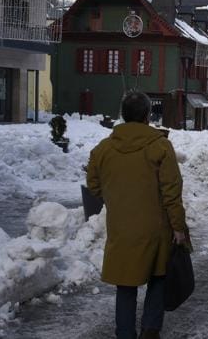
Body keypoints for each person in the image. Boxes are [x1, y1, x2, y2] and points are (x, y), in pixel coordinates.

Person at [86, 91, 189, 339]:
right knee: (158, 278)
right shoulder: (160, 146)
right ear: (147, 115)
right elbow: (171, 192)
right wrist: (178, 227)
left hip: (121, 228)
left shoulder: (103, 149)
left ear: (123, 115)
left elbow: (94, 185)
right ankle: (150, 331)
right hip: (156, 228)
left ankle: (125, 334)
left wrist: (116, 200)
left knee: (126, 284)